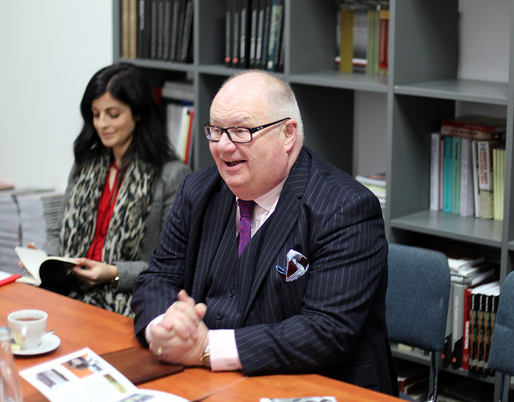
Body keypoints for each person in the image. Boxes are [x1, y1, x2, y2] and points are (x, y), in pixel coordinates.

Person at [130, 70, 397, 396]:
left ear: (288, 134)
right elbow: (156, 278)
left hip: (313, 386)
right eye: (215, 131)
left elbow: (327, 330)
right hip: (207, 383)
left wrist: (207, 347)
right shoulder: (198, 190)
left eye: (241, 131)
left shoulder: (344, 207)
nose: (224, 147)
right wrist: (164, 328)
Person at [42, 63, 189, 316]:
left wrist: (114, 273)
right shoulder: (85, 164)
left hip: (128, 299)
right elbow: (57, 232)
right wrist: (46, 262)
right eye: (96, 114)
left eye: (113, 114)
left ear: (138, 113)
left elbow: (171, 265)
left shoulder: (170, 175)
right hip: (67, 290)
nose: (102, 124)